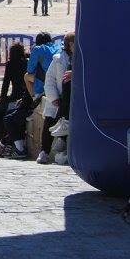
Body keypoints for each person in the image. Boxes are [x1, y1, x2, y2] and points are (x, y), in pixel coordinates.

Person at [38, 32, 74, 165]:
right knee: (50, 122)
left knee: (66, 122)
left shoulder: (80, 58)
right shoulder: (58, 59)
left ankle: (63, 149)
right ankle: (44, 151)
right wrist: (53, 97)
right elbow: (50, 79)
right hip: (58, 97)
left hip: (71, 99)